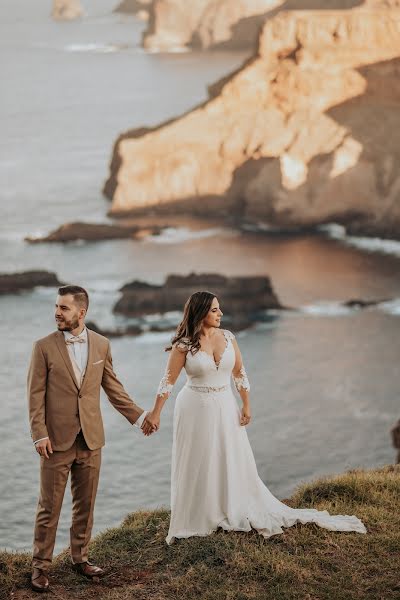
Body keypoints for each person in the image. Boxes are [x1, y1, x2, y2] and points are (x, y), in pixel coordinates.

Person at [142, 291, 367, 544]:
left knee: (230, 455)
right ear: (201, 312)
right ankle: (200, 511)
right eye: (215, 310)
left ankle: (230, 504)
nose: (221, 314)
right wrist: (155, 413)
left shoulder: (228, 337)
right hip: (194, 407)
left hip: (226, 404)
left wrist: (246, 405)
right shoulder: (183, 345)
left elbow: (240, 373)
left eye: (219, 309)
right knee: (200, 458)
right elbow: (167, 383)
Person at [27, 285, 153, 593]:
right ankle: (40, 567)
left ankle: (80, 558)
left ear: (81, 313)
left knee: (86, 504)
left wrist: (139, 417)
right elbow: (35, 395)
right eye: (56, 306)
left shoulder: (101, 344)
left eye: (64, 308)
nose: (57, 312)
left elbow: (113, 386)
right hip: (55, 441)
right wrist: (39, 434)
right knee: (49, 507)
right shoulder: (43, 347)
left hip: (91, 438)